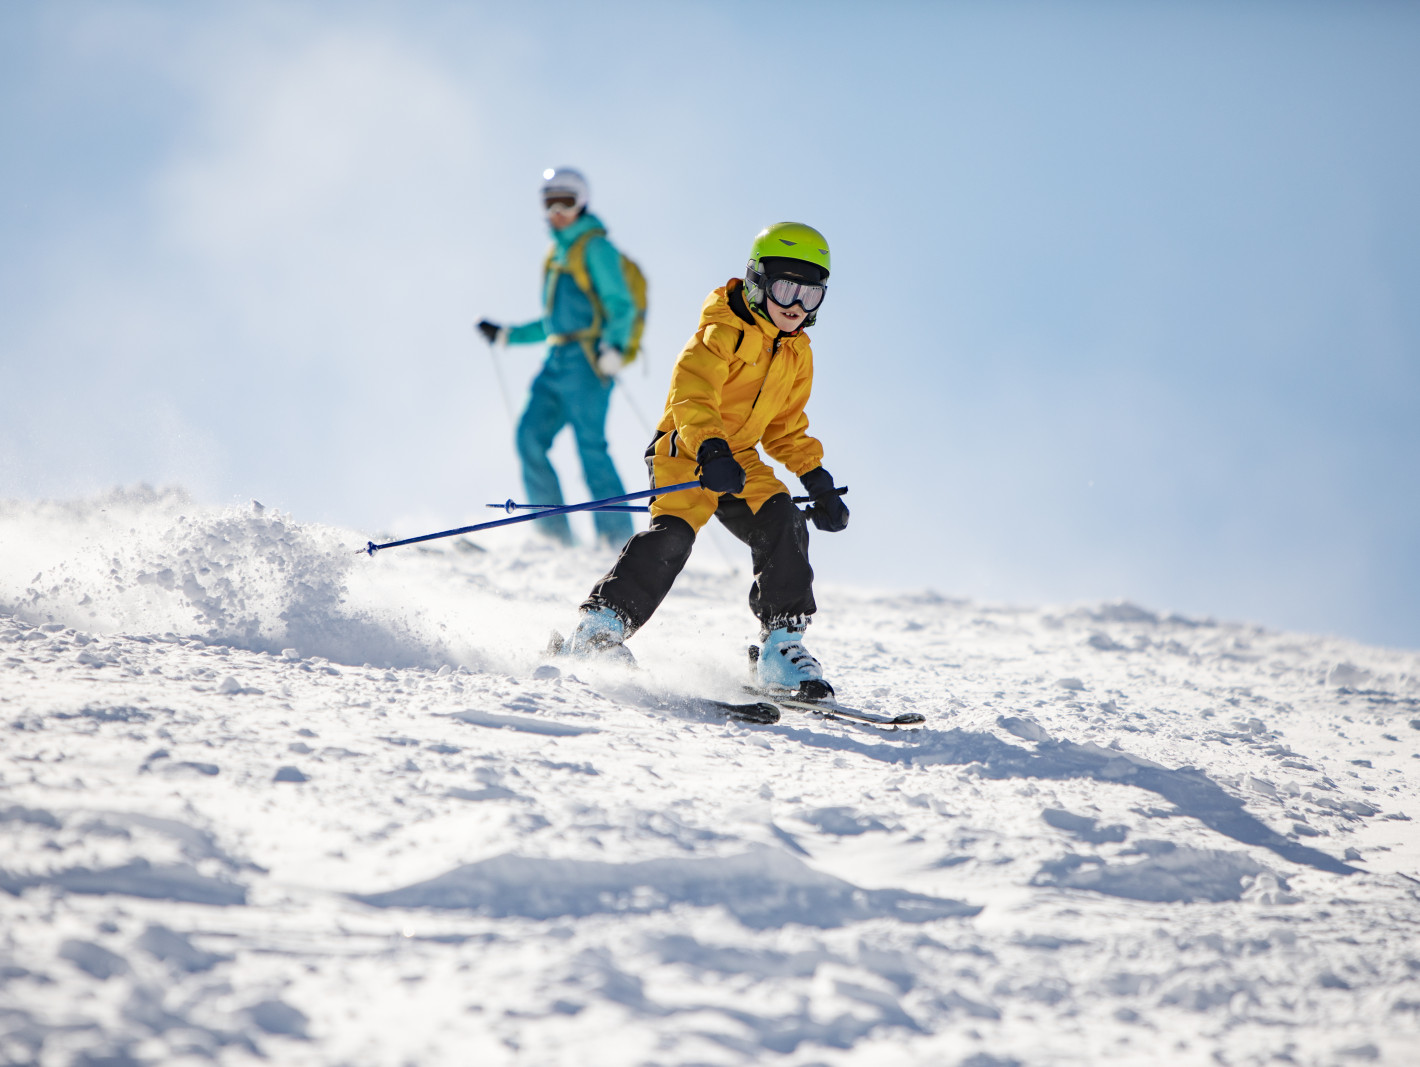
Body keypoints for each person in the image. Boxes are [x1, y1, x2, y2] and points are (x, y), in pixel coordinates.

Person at [561, 221, 850, 698]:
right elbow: (691, 394)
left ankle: (781, 646)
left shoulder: (798, 354)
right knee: (672, 537)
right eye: (785, 289)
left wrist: (816, 479)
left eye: (810, 296)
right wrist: (711, 448)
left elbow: (785, 427)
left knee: (783, 518)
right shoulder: (721, 331)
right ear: (758, 281)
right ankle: (598, 629)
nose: (796, 307)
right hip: (686, 449)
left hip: (740, 460)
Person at [477, 167, 636, 548]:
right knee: (529, 437)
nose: (558, 210)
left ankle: (617, 541)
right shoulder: (557, 254)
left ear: (582, 202)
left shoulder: (595, 247)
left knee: (590, 447)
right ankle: (553, 537)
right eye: (550, 202)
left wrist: (614, 346)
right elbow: (554, 322)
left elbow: (621, 304)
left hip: (587, 361)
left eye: (567, 200)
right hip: (556, 361)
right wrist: (507, 336)